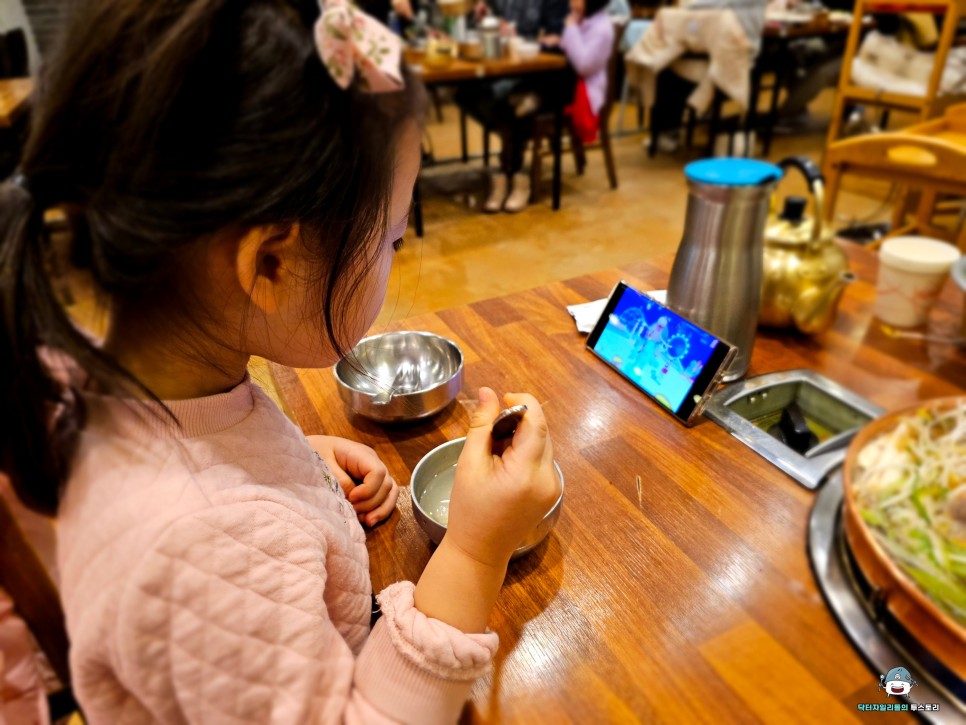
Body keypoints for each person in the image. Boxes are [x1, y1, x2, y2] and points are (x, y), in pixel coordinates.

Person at [0, 0, 560, 722]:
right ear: (270, 262)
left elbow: (194, 477)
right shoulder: (212, 548)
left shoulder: (110, 378)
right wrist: (478, 546)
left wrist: (289, 459)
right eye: (391, 239)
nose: (398, 256)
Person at [459, 0, 570, 213]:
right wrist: (487, 19)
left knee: (506, 98)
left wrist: (519, 37)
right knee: (464, 92)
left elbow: (559, 38)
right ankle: (510, 161)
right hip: (505, 65)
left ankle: (512, 171)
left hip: (541, 73)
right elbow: (495, 20)